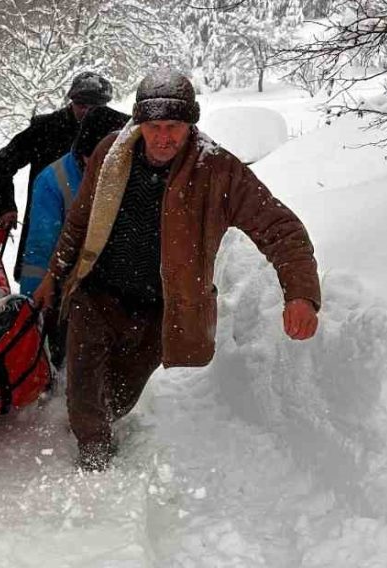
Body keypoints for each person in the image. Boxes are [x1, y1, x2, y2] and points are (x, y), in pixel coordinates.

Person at [33, 70, 321, 472]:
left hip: (160, 309)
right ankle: (92, 467)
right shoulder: (109, 154)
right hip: (96, 294)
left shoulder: (216, 169)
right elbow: (79, 223)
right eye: (154, 127)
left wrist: (301, 294)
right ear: (139, 124)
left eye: (175, 127)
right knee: (84, 393)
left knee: (118, 397)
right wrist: (54, 275)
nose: (164, 137)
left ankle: (100, 426)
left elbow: (281, 228)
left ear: (191, 125)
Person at [20, 105, 130, 368]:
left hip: (115, 286)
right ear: (82, 153)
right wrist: (33, 302)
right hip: (66, 284)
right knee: (65, 354)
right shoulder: (53, 181)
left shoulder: (126, 171)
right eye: (95, 159)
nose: (102, 166)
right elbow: (40, 246)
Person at [0, 71, 113, 282]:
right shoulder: (46, 128)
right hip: (45, 221)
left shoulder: (115, 131)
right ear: (71, 102)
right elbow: (3, 161)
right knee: (39, 282)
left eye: (94, 107)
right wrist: (6, 206)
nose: (87, 112)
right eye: (81, 105)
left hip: (92, 227)